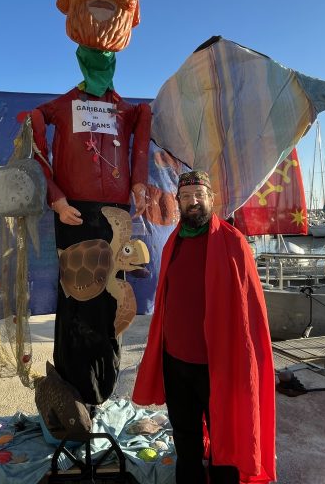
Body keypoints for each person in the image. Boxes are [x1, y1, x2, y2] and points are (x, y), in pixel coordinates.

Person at [30, 0, 156, 407]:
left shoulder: (128, 110)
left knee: (112, 302)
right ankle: (72, 393)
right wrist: (56, 199)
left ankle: (102, 396)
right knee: (76, 298)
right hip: (75, 213)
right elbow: (34, 138)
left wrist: (140, 185)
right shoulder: (61, 106)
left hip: (117, 218)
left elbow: (141, 129)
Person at [132, 170, 277, 484]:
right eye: (185, 197)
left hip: (217, 365)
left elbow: (249, 313)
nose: (192, 202)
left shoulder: (233, 242)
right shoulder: (174, 241)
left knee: (225, 434)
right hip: (175, 360)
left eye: (198, 195)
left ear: (211, 199)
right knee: (185, 437)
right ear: (179, 203)